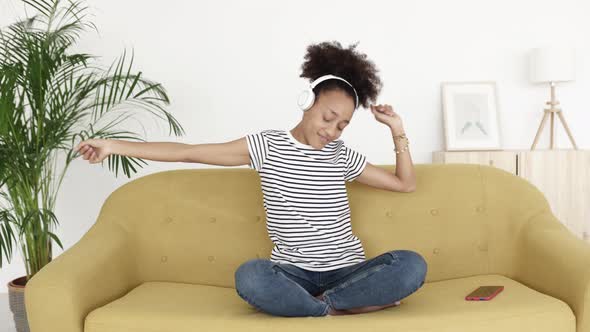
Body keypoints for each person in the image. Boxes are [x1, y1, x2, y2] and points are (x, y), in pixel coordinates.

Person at [75, 40, 426, 317]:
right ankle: (344, 307)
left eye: (342, 125)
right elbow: (189, 151)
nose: (332, 130)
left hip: (348, 270)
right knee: (251, 276)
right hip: (292, 274)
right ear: (308, 102)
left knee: (411, 265)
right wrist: (113, 146)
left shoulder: (340, 155)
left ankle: (323, 306)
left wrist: (397, 129)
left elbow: (404, 184)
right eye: (328, 117)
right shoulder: (267, 145)